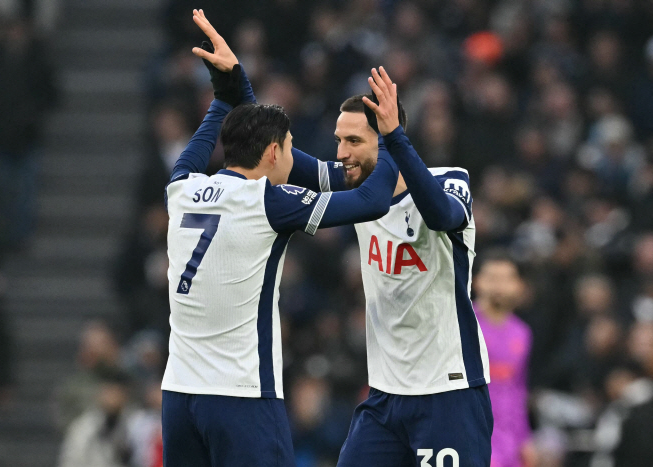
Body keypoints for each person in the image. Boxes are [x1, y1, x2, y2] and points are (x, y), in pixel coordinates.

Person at [160, 10, 399, 467]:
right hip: (242, 397)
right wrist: (388, 137)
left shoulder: (181, 187)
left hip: (179, 395)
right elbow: (370, 200)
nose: (296, 155)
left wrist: (229, 91)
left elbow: (223, 124)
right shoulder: (268, 202)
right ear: (273, 152)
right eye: (290, 147)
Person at [286, 70, 493, 465]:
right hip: (385, 397)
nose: (341, 153)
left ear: (385, 142)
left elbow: (440, 214)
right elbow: (290, 160)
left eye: (353, 141)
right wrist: (239, 93)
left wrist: (396, 138)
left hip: (447, 391)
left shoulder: (449, 182)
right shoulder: (358, 189)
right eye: (338, 141)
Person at [473, 252, 536, 467]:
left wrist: (525, 439)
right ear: (477, 281)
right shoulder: (464, 325)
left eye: (506, 278)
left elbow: (518, 389)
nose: (499, 286)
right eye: (492, 278)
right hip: (473, 435)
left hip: (510, 442)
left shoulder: (522, 333)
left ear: (519, 285)